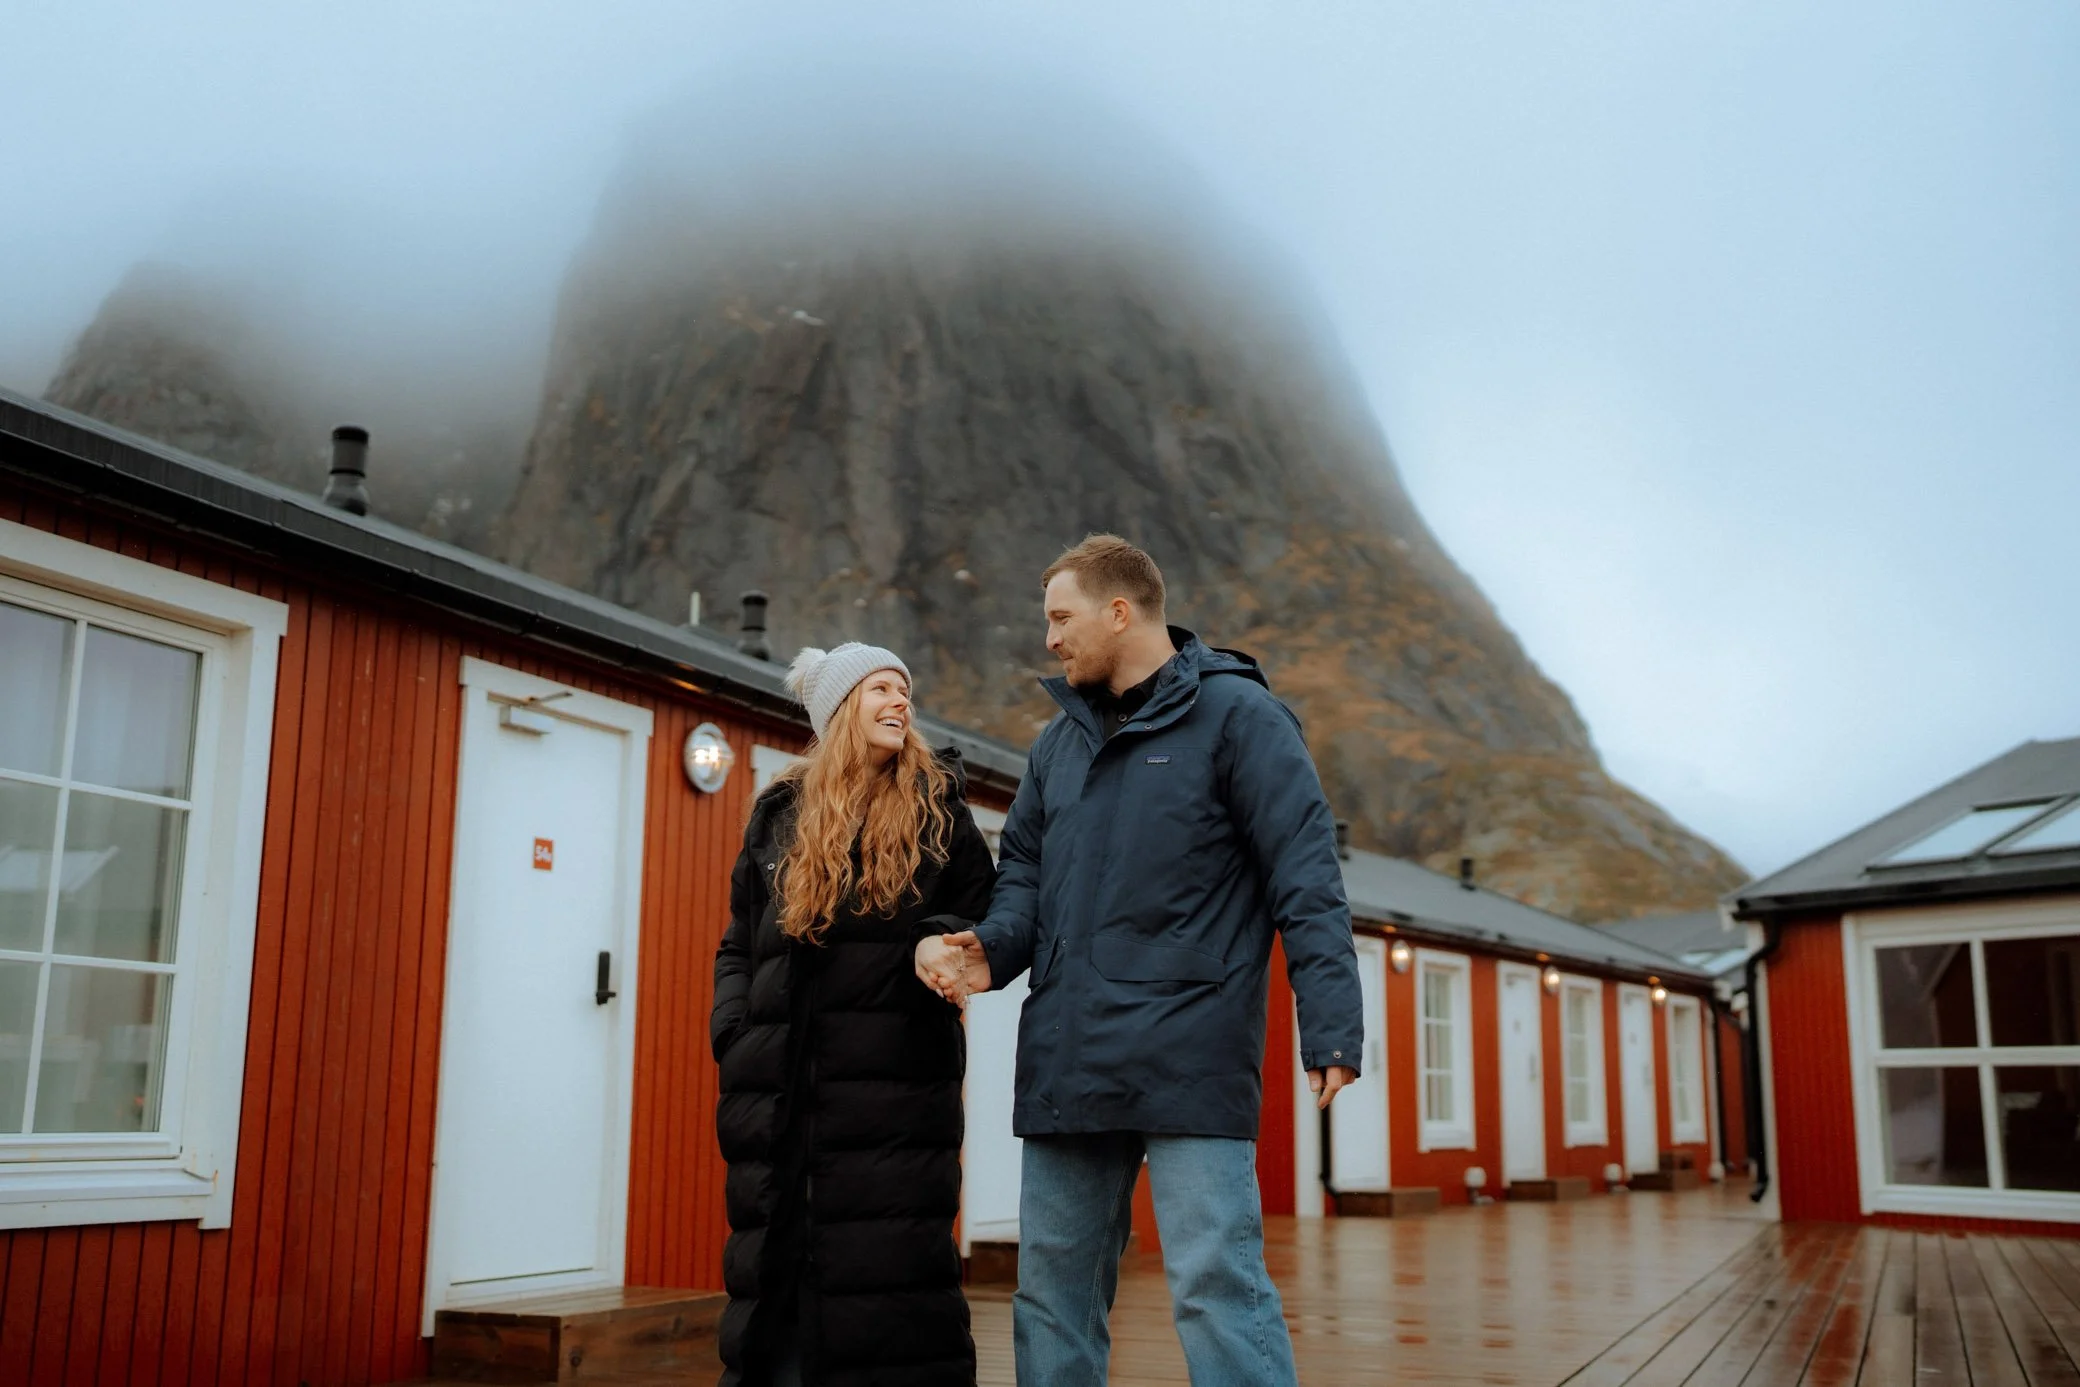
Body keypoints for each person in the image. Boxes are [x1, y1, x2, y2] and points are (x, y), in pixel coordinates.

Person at [916, 535, 1363, 1387]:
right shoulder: (1056, 748)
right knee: (1051, 1296)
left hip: (1190, 1053)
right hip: (1070, 1055)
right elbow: (1024, 878)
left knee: (1214, 1287)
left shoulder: (1243, 719)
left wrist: (1331, 1024)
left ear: (1120, 611)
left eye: (1061, 617)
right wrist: (993, 948)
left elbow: (1306, 879)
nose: (1049, 639)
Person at [712, 642, 996, 1387]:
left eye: (905, 688)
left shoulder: (938, 809)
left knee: (891, 1298)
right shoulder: (779, 815)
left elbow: (986, 911)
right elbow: (739, 941)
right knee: (779, 1297)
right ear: (839, 708)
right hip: (778, 1103)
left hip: (894, 1100)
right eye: (880, 687)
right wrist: (734, 1030)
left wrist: (939, 938)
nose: (901, 701)